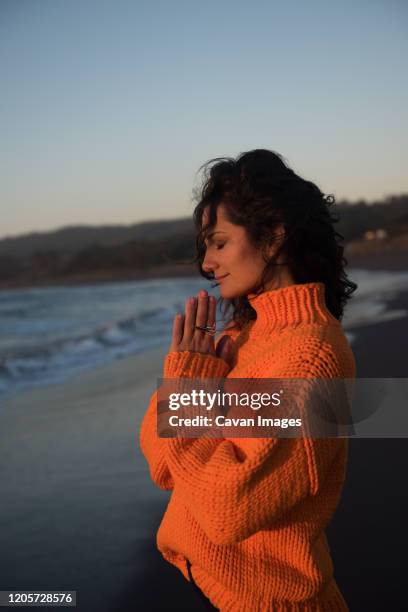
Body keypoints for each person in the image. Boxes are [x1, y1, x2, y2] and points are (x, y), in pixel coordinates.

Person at [139, 149, 357, 611]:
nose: (207, 264)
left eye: (218, 243)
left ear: (275, 238)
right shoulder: (244, 335)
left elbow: (225, 508)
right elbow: (160, 463)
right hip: (210, 586)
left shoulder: (310, 359)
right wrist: (192, 382)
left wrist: (186, 396)